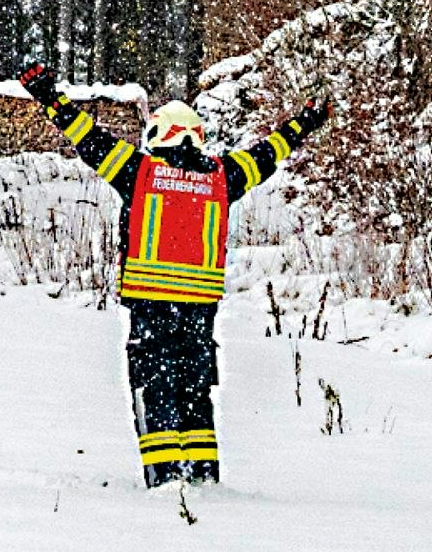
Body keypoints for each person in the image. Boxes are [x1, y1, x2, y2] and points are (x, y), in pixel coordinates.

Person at [17, 61, 328, 488]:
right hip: (200, 311)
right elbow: (269, 152)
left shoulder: (139, 172)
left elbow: (86, 138)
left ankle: (165, 480)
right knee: (195, 391)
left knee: (155, 386)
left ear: (157, 135)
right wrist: (304, 122)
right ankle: (202, 476)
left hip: (150, 305)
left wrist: (49, 96)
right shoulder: (223, 177)